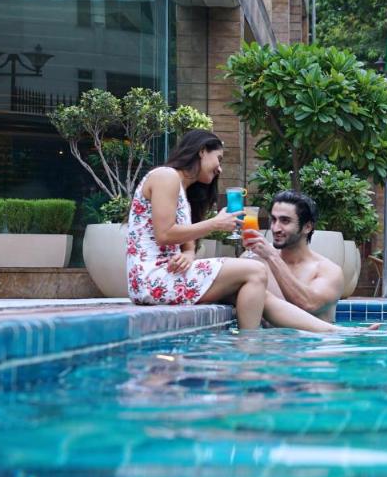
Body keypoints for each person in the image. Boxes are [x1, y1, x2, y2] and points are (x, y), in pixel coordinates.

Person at [126, 130, 339, 333]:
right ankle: (249, 345)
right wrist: (215, 224)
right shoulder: (166, 176)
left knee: (257, 292)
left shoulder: (183, 193)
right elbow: (164, 234)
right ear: (202, 151)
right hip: (152, 279)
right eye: (218, 159)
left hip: (168, 274)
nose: (220, 169)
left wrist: (188, 255)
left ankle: (332, 331)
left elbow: (186, 246)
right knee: (255, 270)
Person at [240, 191, 346, 323]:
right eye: (274, 220)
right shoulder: (255, 261)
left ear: (307, 227)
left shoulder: (329, 271)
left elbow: (309, 304)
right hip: (265, 336)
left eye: (285, 221)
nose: (275, 228)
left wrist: (272, 256)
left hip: (313, 337)